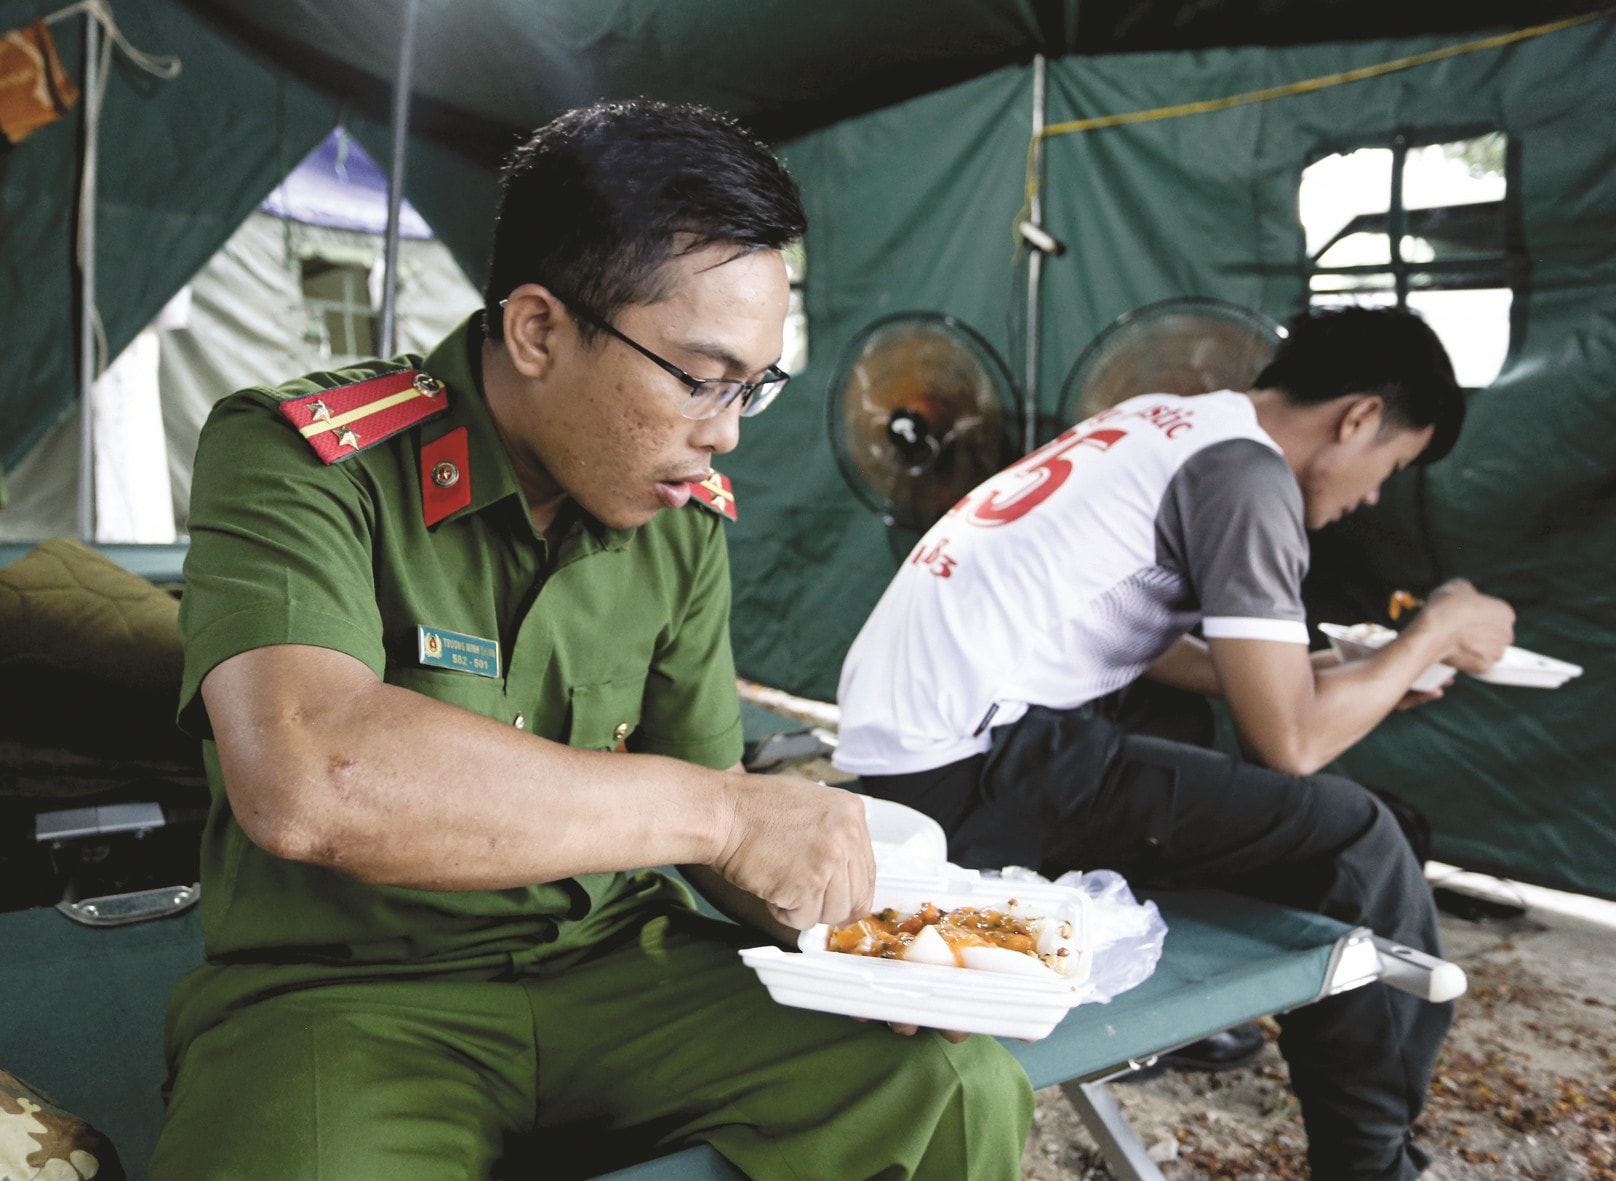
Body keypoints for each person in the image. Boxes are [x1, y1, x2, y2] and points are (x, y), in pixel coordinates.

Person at [149, 100, 1031, 1181]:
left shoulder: (681, 515)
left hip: (620, 967)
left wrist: (879, 947)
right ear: (534, 329)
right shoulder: (302, 459)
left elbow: (722, 819)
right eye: (700, 376)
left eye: (754, 384)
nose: (726, 429)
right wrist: (720, 811)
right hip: (346, 994)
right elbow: (311, 773)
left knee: (947, 1087)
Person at [834, 305, 1516, 1181]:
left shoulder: (1163, 421)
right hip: (971, 774)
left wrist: (1358, 667)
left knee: (1182, 729)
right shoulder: (1247, 475)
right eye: (1393, 463)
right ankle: (1372, 1162)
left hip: (917, 758)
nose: (1377, 492)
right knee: (1359, 839)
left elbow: (1141, 641)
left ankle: (1179, 973)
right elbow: (1294, 741)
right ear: (1356, 420)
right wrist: (1433, 630)